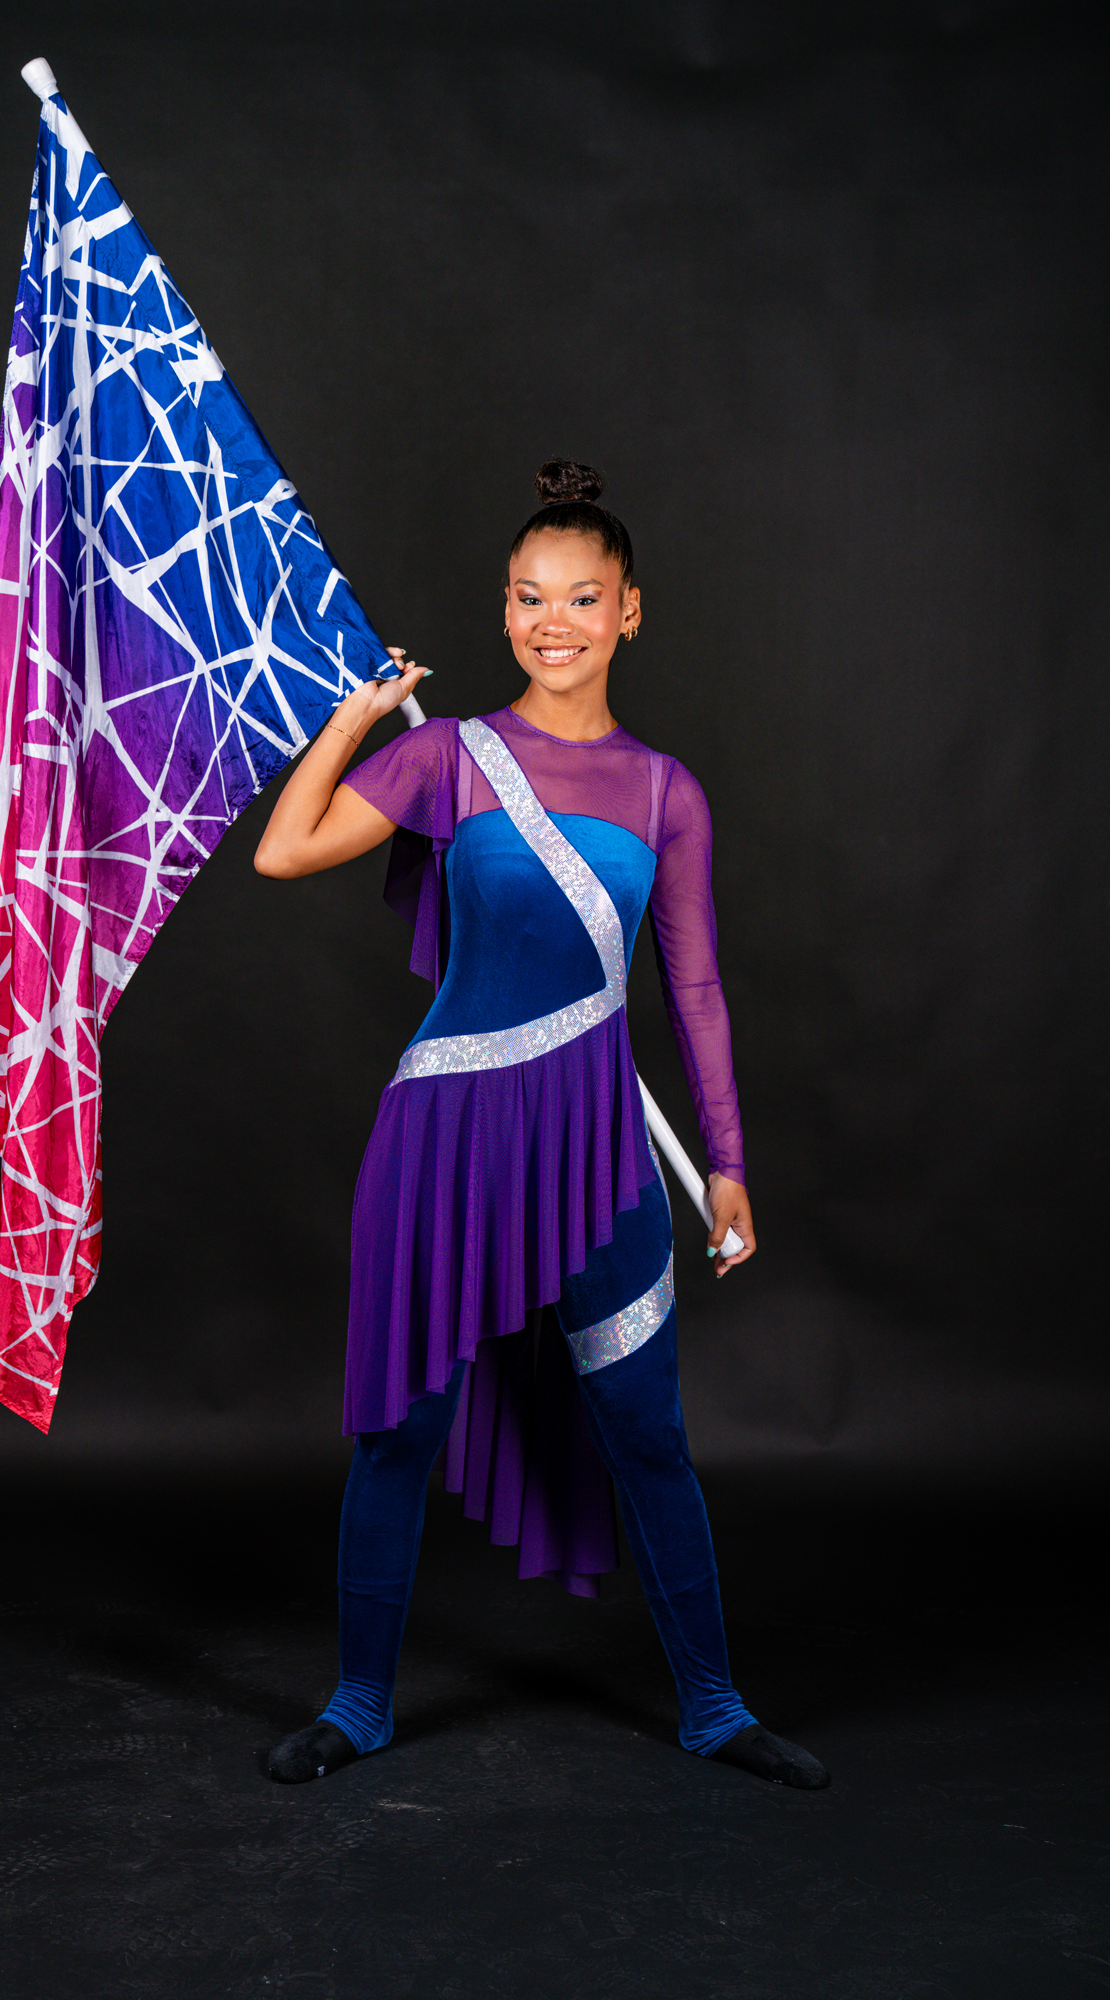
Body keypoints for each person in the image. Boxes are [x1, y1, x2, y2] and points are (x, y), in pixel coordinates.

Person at [253, 460, 827, 1789]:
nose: (550, 622)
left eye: (579, 597)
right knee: (397, 1430)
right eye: (526, 597)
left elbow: (693, 987)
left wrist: (727, 1163)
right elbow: (285, 850)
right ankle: (357, 1704)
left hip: (599, 1154)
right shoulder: (447, 756)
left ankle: (714, 1708)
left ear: (629, 610)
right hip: (444, 1138)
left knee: (647, 1432)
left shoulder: (665, 791)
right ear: (503, 608)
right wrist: (354, 719)